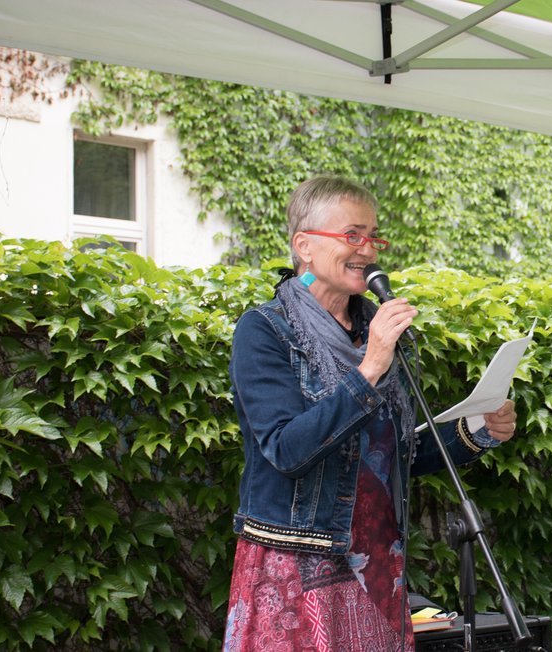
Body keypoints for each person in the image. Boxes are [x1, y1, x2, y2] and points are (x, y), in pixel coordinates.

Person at [222, 174, 517, 652]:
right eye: (352, 235)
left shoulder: (370, 331)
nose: (367, 249)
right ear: (305, 247)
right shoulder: (263, 331)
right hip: (297, 566)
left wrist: (477, 431)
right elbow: (286, 449)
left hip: (378, 566)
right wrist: (371, 368)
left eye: (373, 237)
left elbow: (392, 457)